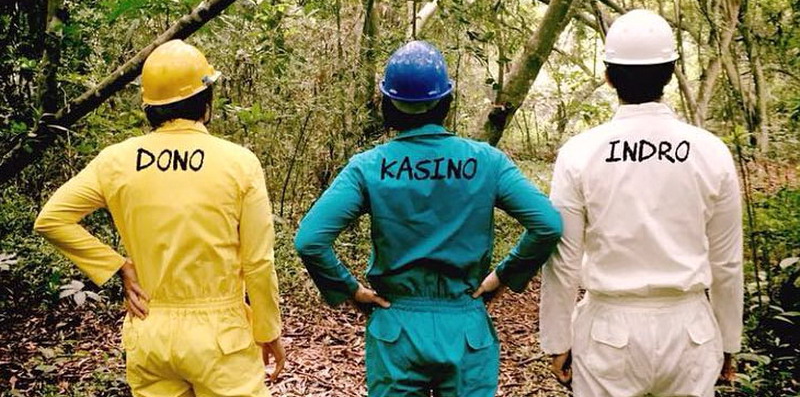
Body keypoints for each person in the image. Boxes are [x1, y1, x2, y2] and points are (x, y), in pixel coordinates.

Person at [294, 40, 562, 397]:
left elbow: (310, 240)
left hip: (396, 329)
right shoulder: (487, 161)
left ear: (388, 104)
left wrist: (351, 290)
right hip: (465, 328)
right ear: (445, 101)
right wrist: (502, 276)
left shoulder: (368, 166)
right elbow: (547, 225)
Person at [35, 39, 285, 397]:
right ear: (206, 101)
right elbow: (258, 262)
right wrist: (267, 330)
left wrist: (119, 266)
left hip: (149, 330)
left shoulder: (116, 161)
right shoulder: (238, 163)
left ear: (149, 106)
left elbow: (51, 219)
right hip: (221, 337)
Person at [539, 9, 743, 397]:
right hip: (690, 332)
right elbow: (727, 262)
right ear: (671, 73)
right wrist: (729, 340)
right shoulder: (710, 151)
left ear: (608, 76)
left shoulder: (580, 152)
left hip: (608, 334)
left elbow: (563, 259)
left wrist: (557, 340)